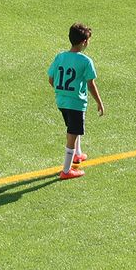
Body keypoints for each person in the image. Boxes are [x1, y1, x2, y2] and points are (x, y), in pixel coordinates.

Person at [48, 21, 104, 181]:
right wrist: (99, 102)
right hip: (76, 103)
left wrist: (62, 92)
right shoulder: (85, 61)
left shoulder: (60, 57)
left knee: (74, 128)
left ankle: (77, 154)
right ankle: (66, 170)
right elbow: (90, 84)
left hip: (62, 101)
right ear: (84, 42)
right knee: (72, 133)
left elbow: (51, 79)